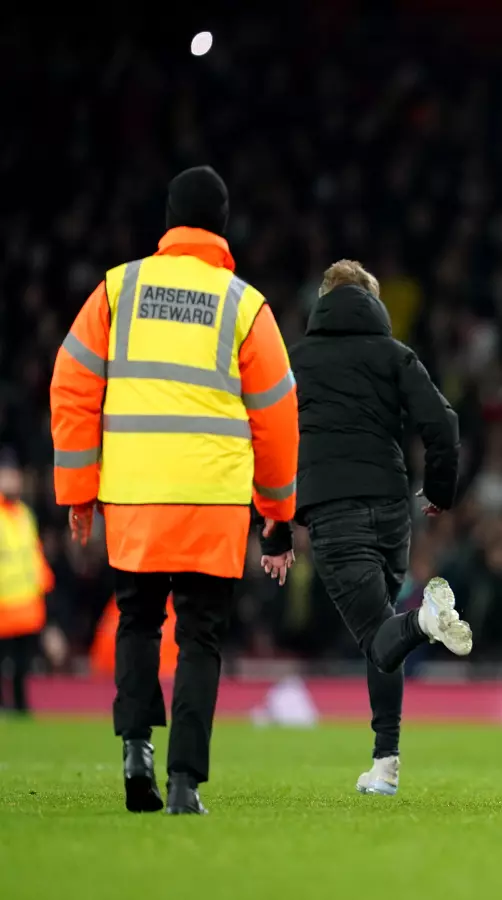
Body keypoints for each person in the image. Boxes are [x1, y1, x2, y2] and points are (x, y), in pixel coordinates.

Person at [49, 166, 299, 815]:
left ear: (169, 220)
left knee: (137, 622)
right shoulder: (245, 305)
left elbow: (70, 383)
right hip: (212, 503)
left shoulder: (117, 289)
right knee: (200, 637)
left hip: (133, 498)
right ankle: (185, 783)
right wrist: (277, 514)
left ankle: (135, 751)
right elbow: (277, 416)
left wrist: (79, 491)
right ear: (222, 224)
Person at [284, 259, 472, 797]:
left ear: (322, 300)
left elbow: (270, 443)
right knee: (381, 637)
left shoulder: (296, 362)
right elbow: (443, 423)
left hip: (333, 508)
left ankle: (426, 622)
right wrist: (439, 490)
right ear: (373, 301)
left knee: (380, 632)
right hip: (392, 507)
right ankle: (385, 765)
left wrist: (275, 525)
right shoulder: (395, 355)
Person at [0, 450, 60, 714]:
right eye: (6, 477)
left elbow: (34, 556)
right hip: (4, 605)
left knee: (22, 665)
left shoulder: (25, 513)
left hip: (27, 606)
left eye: (14, 476)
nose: (12, 482)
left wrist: (43, 591)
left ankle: (21, 708)